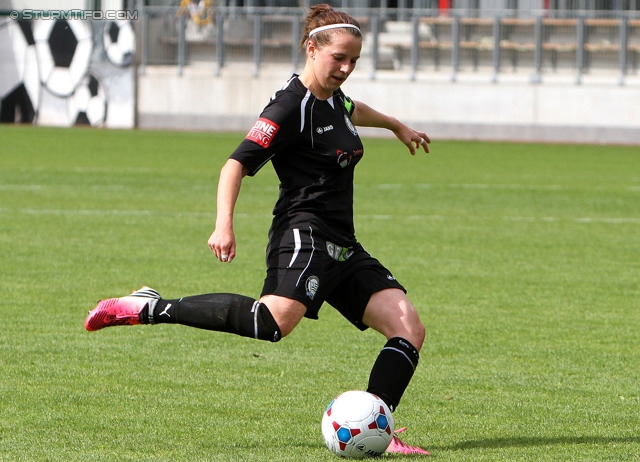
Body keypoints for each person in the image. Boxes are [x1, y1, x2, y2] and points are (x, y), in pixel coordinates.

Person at [85, 4, 431, 456]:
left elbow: (351, 109)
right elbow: (236, 164)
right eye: (339, 59)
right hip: (304, 234)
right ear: (312, 48)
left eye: (354, 61)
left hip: (343, 243)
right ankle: (151, 306)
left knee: (408, 327)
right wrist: (222, 225)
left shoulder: (333, 98)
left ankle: (379, 428)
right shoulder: (289, 106)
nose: (346, 68)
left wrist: (395, 125)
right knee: (272, 323)